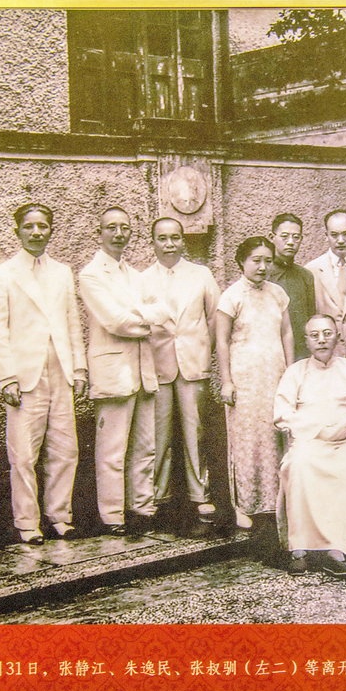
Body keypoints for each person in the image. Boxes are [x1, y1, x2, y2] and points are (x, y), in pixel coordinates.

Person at [0, 203, 87, 545]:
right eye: (29, 226)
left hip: (60, 369)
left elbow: (72, 323)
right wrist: (6, 377)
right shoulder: (3, 274)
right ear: (17, 231)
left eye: (43, 226)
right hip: (24, 374)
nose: (36, 232)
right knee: (24, 452)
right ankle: (28, 522)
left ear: (51, 230)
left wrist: (79, 368)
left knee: (65, 448)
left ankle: (60, 516)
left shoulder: (62, 272)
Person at [274, 314, 346, 578]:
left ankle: (337, 551)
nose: (321, 340)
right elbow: (282, 413)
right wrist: (317, 430)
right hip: (310, 440)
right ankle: (300, 549)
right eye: (314, 335)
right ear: (306, 341)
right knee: (299, 465)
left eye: (327, 333)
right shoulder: (295, 372)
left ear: (337, 336)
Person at [78, 207, 158, 535]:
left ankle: (143, 508)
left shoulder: (137, 276)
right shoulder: (91, 275)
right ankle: (112, 516)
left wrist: (141, 318)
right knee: (112, 449)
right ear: (99, 233)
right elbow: (115, 321)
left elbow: (156, 313)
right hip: (113, 370)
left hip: (143, 369)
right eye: (111, 227)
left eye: (124, 227)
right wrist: (148, 320)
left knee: (145, 445)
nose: (119, 233)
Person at [139, 217, 221, 534]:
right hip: (158, 365)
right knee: (157, 433)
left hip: (192, 363)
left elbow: (214, 318)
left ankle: (201, 495)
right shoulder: (142, 279)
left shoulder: (201, 275)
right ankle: (158, 496)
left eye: (175, 237)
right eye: (162, 238)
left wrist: (204, 350)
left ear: (183, 241)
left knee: (195, 431)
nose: (169, 244)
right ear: (153, 242)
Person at [216, 236, 294, 536]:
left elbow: (286, 333)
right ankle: (244, 506)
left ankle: (275, 501)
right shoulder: (231, 296)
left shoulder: (278, 294)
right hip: (245, 379)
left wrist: (291, 372)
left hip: (275, 376)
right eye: (256, 260)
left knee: (275, 436)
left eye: (267, 261)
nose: (262, 267)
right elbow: (222, 341)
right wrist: (227, 380)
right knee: (248, 441)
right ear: (242, 262)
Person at [304, 209, 346, 361]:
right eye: (334, 235)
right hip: (328, 358)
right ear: (326, 235)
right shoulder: (312, 270)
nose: (340, 240)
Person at [267, 213, 316, 361]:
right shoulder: (263, 275)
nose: (290, 242)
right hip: (271, 353)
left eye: (296, 237)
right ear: (271, 237)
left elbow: (310, 319)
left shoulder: (305, 276)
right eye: (284, 236)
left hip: (301, 355)